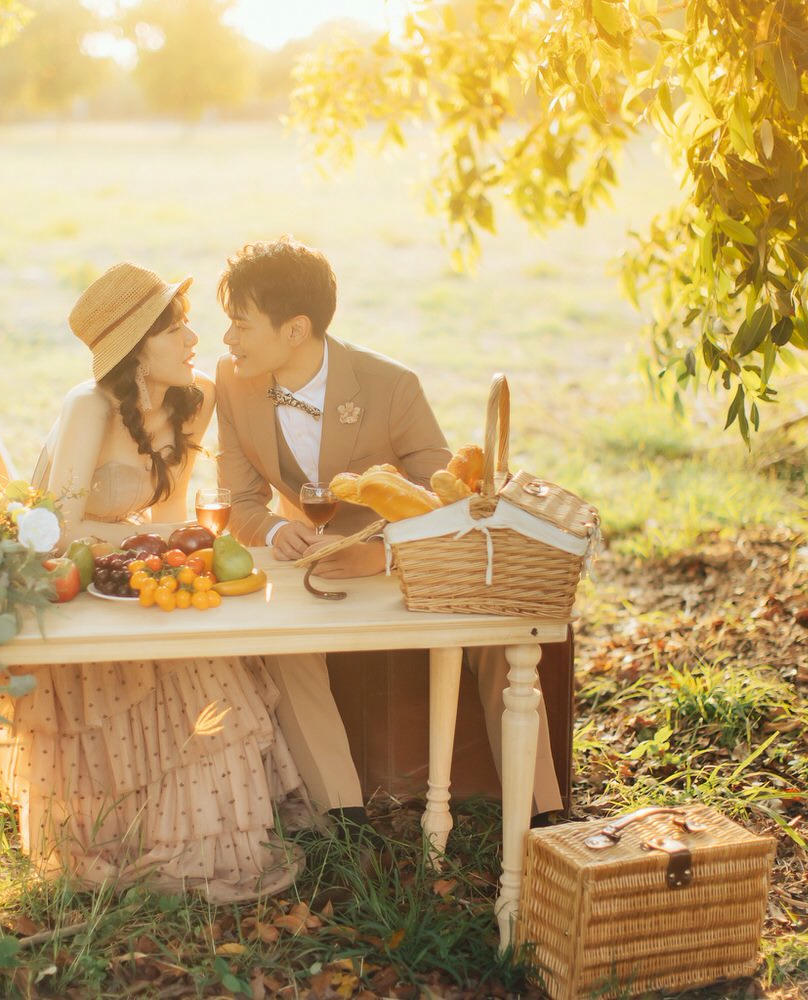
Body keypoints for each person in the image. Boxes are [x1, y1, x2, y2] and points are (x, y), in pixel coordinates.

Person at [0, 262, 311, 901]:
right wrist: (160, 548)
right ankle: (124, 830)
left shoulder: (195, 398)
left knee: (202, 671)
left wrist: (173, 552)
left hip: (138, 578)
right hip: (76, 587)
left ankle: (188, 831)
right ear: (137, 351)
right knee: (138, 674)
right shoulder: (87, 406)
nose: (196, 342)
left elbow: (170, 513)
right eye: (178, 330)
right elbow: (59, 527)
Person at [212, 237, 564, 831]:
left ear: (295, 330)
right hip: (309, 566)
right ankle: (341, 820)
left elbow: (453, 500)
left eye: (240, 325)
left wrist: (382, 555)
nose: (228, 339)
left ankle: (546, 815)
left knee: (495, 633)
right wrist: (276, 531)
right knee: (282, 641)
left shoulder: (392, 385)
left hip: (404, 563)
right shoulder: (232, 380)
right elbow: (240, 500)